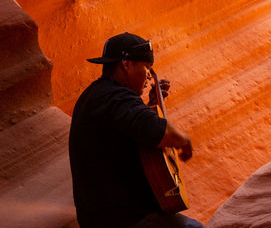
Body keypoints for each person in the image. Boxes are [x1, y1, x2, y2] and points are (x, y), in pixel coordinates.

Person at [69, 32, 204, 228]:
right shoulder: (116, 97)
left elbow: (124, 133)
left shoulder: (95, 94)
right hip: (125, 219)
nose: (150, 75)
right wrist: (185, 140)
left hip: (98, 218)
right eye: (147, 67)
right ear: (126, 64)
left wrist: (150, 106)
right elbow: (160, 132)